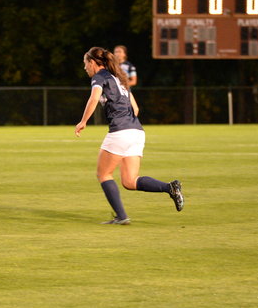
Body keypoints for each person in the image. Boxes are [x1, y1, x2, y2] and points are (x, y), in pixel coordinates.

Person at [75, 46, 183, 225]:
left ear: (93, 62)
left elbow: (93, 98)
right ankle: (170, 187)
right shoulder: (120, 78)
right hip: (137, 132)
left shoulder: (99, 77)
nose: (84, 67)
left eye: (85, 63)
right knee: (130, 181)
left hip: (121, 131)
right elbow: (136, 109)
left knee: (103, 174)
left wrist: (83, 121)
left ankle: (121, 217)